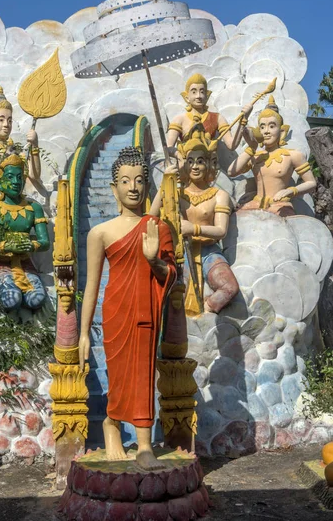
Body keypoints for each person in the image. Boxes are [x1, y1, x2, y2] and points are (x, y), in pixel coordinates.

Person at [78, 146, 176, 470]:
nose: (132, 186)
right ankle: (111, 424)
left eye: (139, 180)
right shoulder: (100, 233)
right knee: (119, 375)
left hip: (145, 308)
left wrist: (153, 260)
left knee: (144, 372)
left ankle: (145, 443)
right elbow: (91, 286)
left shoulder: (158, 229)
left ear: (147, 186)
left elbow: (170, 273)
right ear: (113, 187)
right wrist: (82, 336)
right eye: (125, 180)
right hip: (116, 310)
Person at [151, 133, 239, 316]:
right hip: (180, 251)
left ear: (208, 164)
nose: (195, 166)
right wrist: (166, 182)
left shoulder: (218, 195)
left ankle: (204, 315)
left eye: (200, 161)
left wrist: (194, 229)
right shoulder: (177, 193)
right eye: (190, 161)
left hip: (208, 251)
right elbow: (150, 218)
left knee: (230, 287)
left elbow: (221, 230)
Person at [0, 153, 49, 311]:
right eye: (10, 177)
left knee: (36, 299)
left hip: (25, 264)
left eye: (19, 177)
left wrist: (31, 245)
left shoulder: (34, 208)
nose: (16, 182)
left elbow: (45, 243)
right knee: (12, 299)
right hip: (0, 264)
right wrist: (8, 246)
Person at [227, 96, 316, 216]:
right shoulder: (256, 156)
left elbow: (311, 183)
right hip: (256, 203)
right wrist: (251, 148)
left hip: (280, 205)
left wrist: (291, 191)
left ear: (282, 131)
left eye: (272, 126)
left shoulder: (293, 155)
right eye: (262, 127)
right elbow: (231, 172)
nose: (266, 131)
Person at [166, 73, 252, 154]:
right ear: (187, 97)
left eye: (202, 92)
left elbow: (231, 145)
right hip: (187, 166)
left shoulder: (217, 118)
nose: (198, 96)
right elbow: (169, 148)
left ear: (207, 96)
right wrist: (180, 155)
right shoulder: (179, 119)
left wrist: (243, 120)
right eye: (194, 92)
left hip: (209, 167)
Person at [0, 86, 41, 188]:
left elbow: (34, 176)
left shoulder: (14, 149)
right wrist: (5, 177)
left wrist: (34, 147)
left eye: (9, 121)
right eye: (1, 120)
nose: (6, 124)